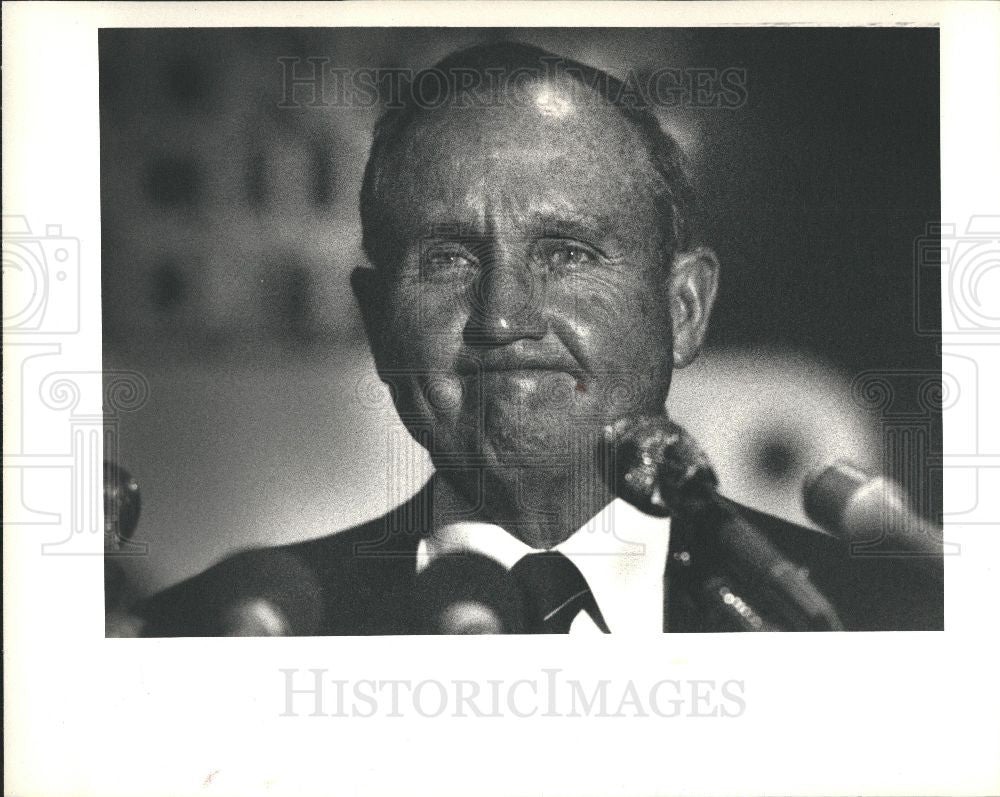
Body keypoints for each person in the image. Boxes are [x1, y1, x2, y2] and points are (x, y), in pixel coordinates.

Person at [136, 41, 941, 635]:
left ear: (685, 308)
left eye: (567, 254)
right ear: (380, 324)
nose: (503, 317)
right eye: (448, 258)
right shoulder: (217, 638)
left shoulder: (890, 626)